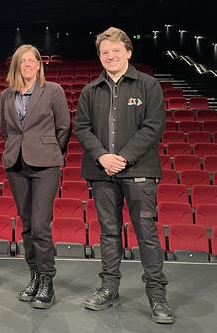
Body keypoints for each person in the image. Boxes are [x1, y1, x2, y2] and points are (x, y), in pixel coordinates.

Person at [75, 27, 174, 324]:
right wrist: (103, 156)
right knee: (108, 233)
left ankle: (157, 296)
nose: (110, 56)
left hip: (139, 171)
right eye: (105, 52)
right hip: (102, 172)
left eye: (116, 50)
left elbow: (153, 126)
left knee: (146, 234)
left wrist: (124, 158)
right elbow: (82, 128)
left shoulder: (148, 85)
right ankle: (109, 288)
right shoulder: (90, 90)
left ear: (128, 52)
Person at [0, 44, 70, 309]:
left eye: (32, 61)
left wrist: (49, 151)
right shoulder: (7, 95)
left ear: (40, 65)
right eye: (22, 61)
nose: (27, 65)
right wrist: (17, 150)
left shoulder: (53, 91)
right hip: (16, 164)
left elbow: (63, 127)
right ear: (16, 66)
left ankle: (48, 281)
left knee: (41, 225)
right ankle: (34, 277)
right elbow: (8, 130)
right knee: (27, 225)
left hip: (45, 166)